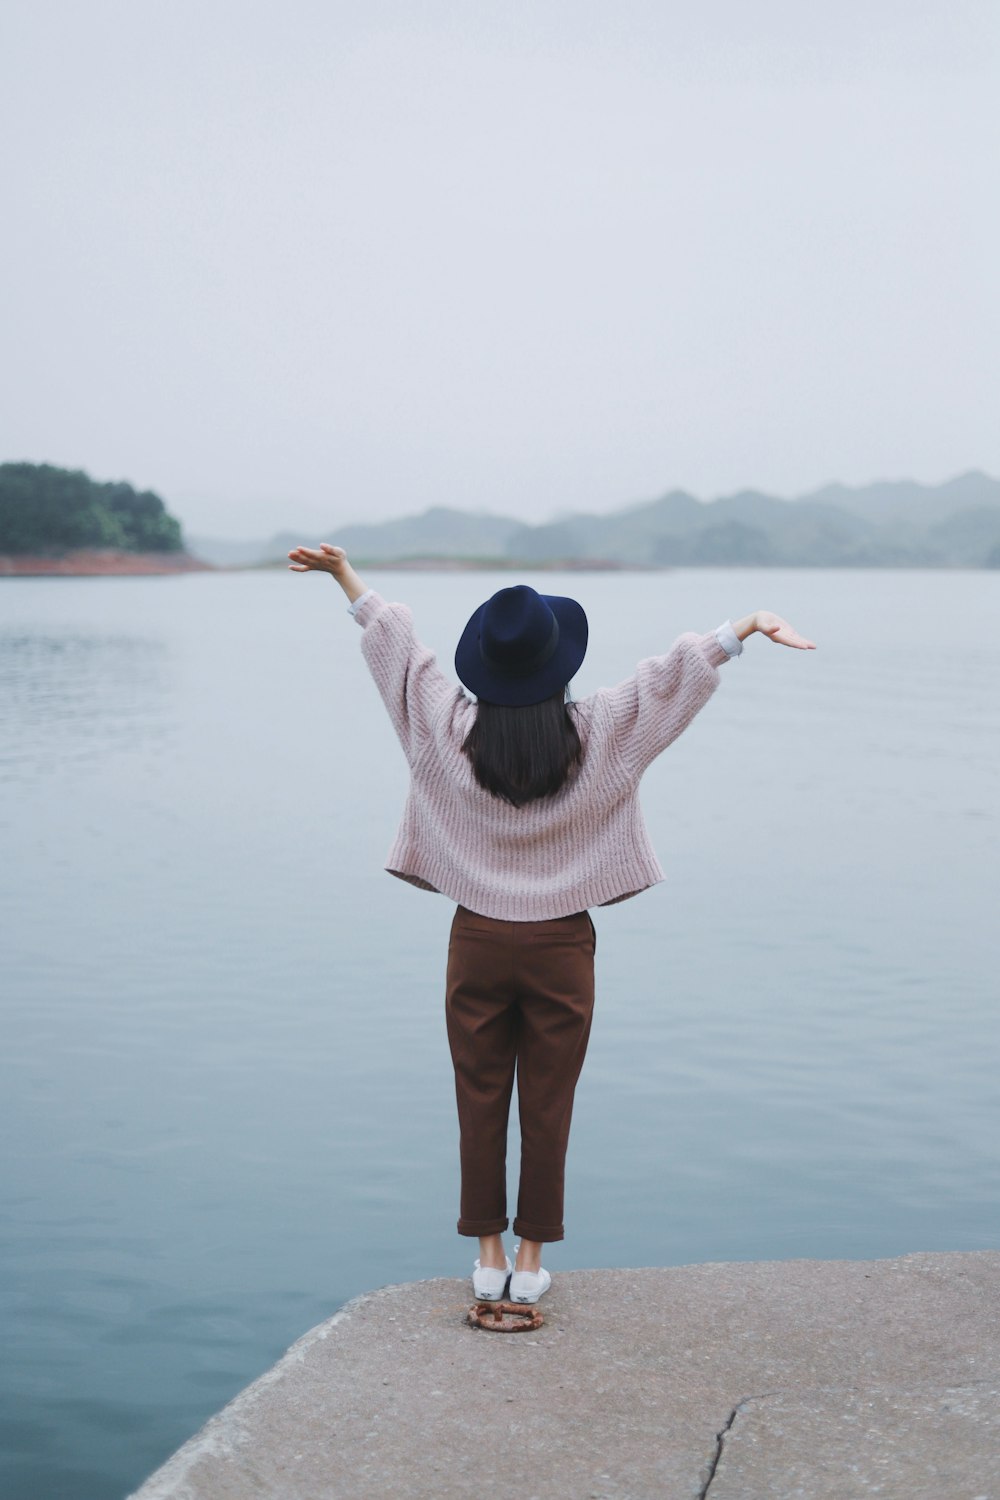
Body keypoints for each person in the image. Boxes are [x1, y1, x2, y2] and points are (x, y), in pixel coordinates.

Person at [289, 541, 816, 1304]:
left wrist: (343, 574)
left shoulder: (444, 726)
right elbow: (667, 683)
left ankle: (486, 1253)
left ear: (486, 666)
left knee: (477, 1096)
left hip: (475, 940)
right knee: (548, 1100)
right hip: (561, 944)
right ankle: (531, 1264)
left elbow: (397, 653)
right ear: (557, 663)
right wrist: (747, 625)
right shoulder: (601, 730)